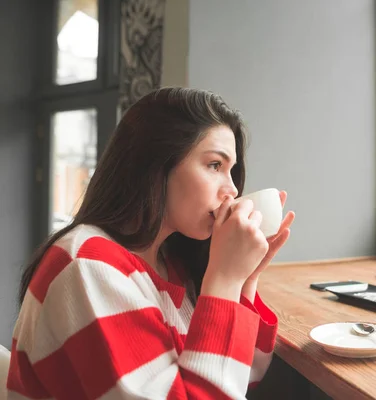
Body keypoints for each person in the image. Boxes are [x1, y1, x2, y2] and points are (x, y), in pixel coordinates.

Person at [7, 87, 295, 399]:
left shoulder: (173, 265)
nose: (232, 191)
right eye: (215, 165)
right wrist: (225, 278)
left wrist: (243, 279)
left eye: (232, 170)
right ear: (156, 163)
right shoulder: (87, 264)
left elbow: (241, 376)